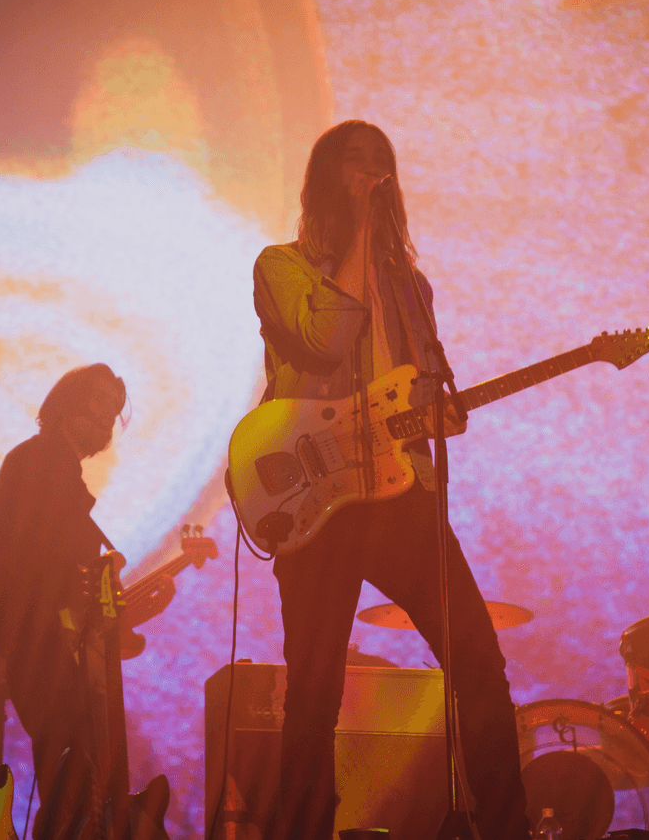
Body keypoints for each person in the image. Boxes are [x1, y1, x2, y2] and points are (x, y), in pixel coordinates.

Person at [250, 120, 531, 840]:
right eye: (357, 161)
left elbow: (427, 384)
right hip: (315, 499)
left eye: (383, 164)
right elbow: (327, 340)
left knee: (479, 666)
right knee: (313, 693)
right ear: (323, 176)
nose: (373, 173)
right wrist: (360, 235)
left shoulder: (412, 287)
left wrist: (441, 411)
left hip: (402, 492)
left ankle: (507, 829)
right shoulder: (281, 266)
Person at [0, 363, 128, 840]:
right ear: (69, 403)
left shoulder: (50, 467)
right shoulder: (38, 464)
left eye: (116, 406)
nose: (110, 415)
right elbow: (36, 567)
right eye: (101, 400)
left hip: (43, 643)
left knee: (69, 780)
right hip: (44, 645)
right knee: (71, 776)